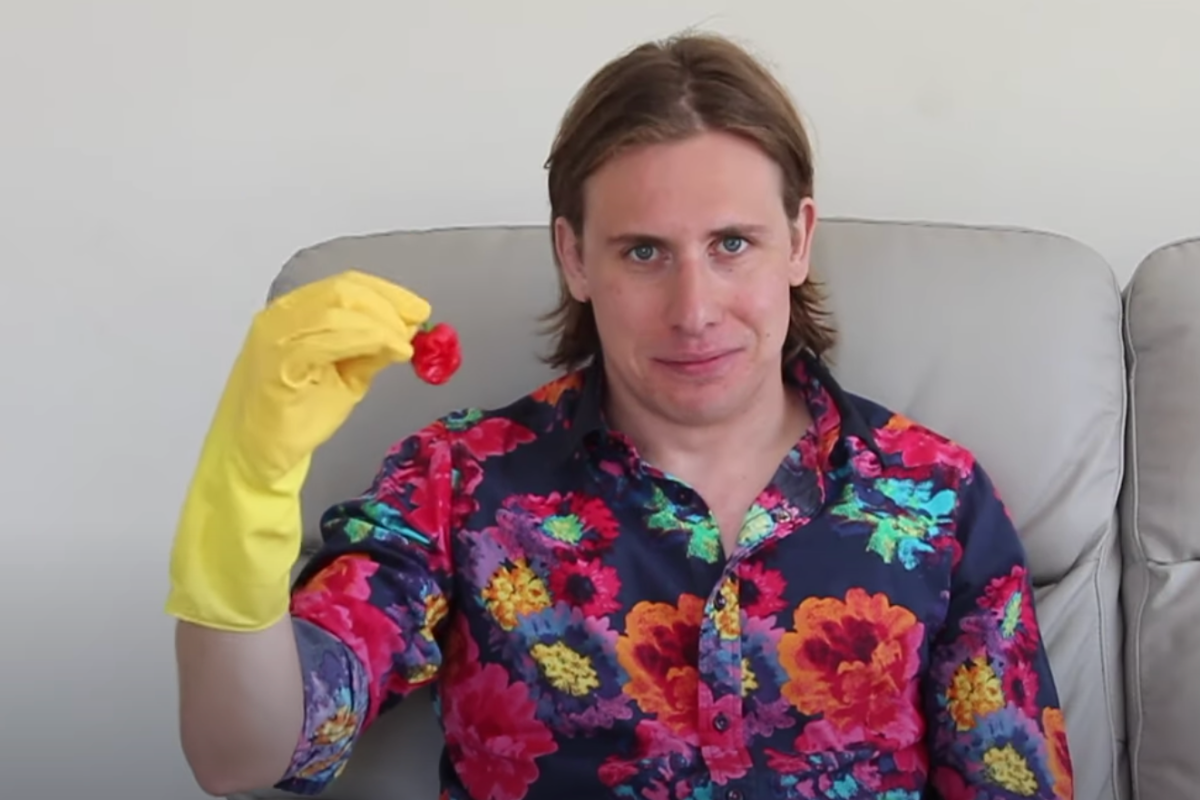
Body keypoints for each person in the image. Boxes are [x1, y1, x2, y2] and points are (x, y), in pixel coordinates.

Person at [167, 31, 1075, 800]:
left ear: (799, 240)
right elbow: (243, 756)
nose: (694, 310)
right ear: (574, 257)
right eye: (643, 252)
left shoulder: (937, 495)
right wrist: (246, 485)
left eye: (732, 244)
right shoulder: (459, 482)